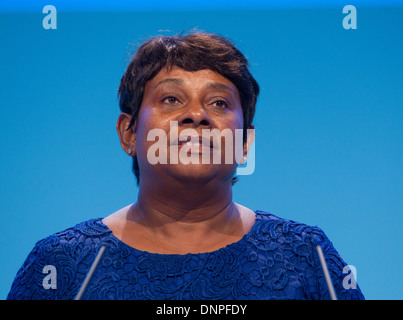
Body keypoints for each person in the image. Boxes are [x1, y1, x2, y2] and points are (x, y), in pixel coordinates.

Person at [7, 32, 364, 300]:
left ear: (244, 144)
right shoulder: (61, 264)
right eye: (171, 98)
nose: (197, 115)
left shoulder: (307, 256)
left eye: (220, 103)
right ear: (128, 133)